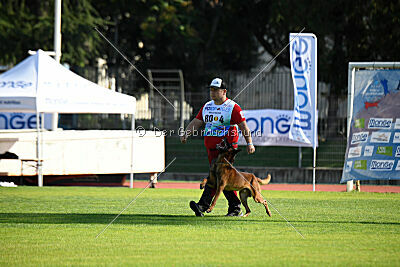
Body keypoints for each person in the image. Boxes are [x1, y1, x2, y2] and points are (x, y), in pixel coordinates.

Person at [180, 77, 255, 216]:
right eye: (211, 90)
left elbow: (243, 126)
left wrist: (249, 143)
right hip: (211, 149)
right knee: (222, 178)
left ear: (224, 91)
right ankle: (234, 207)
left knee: (216, 175)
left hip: (226, 150)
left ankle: (203, 205)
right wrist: (186, 134)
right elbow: (197, 122)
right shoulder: (207, 106)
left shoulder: (233, 107)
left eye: (216, 90)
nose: (212, 93)